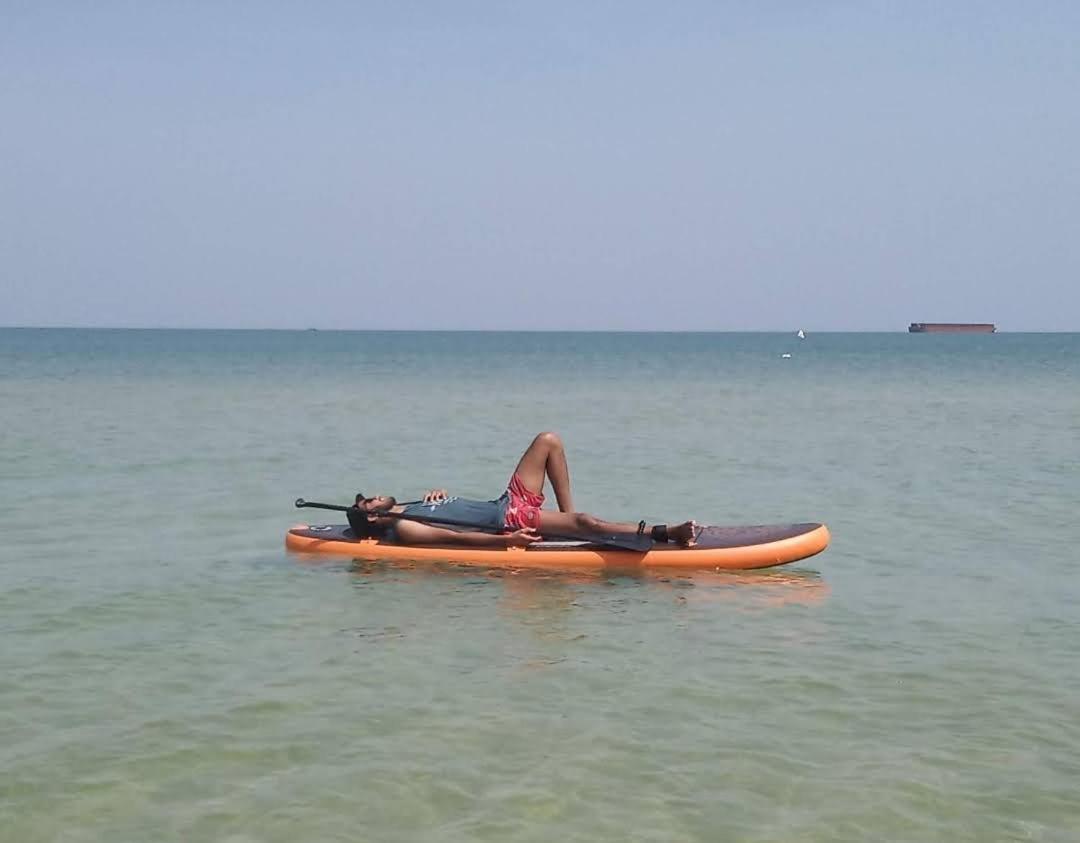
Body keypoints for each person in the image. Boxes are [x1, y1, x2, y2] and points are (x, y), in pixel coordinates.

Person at [349, 432, 698, 547]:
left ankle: (564, 519)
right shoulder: (406, 526)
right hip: (509, 520)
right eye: (368, 504)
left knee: (548, 441)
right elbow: (459, 539)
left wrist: (440, 494)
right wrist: (507, 542)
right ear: (375, 520)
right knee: (588, 523)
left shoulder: (415, 504)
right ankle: (666, 533)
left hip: (507, 501)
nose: (373, 498)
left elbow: (458, 512)